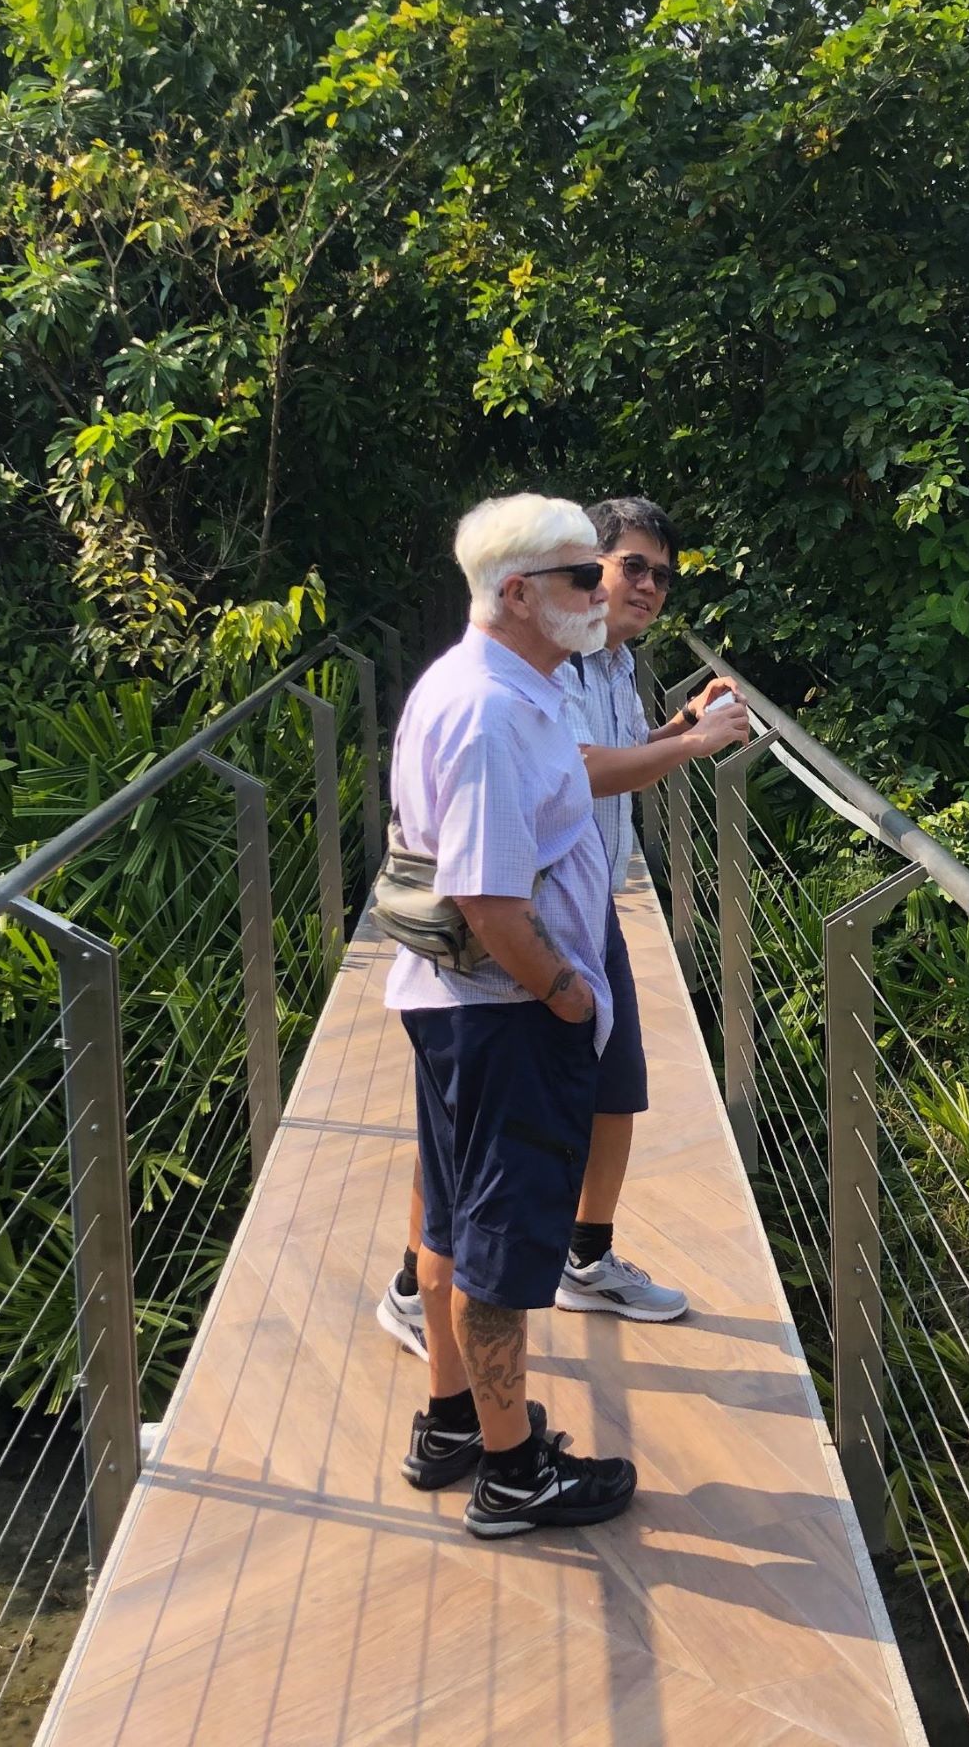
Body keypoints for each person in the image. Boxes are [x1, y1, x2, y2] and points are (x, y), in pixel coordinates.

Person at [377, 494, 747, 1355]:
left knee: (615, 1088)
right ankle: (423, 1291)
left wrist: (680, 725)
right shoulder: (540, 670)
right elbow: (576, 774)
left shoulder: (607, 662)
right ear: (538, 585)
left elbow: (590, 768)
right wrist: (561, 988)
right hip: (516, 942)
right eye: (620, 569)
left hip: (582, 907)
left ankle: (581, 1256)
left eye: (663, 572)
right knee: (473, 1138)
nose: (645, 587)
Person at [385, 492, 636, 1538]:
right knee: (498, 1244)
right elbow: (488, 901)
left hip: (457, 1010)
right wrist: (568, 996)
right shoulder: (493, 713)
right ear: (521, 593)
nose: (603, 593)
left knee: (450, 1223)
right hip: (505, 1016)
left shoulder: (487, 684)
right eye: (586, 577)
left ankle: (451, 1419)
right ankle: (512, 1472)